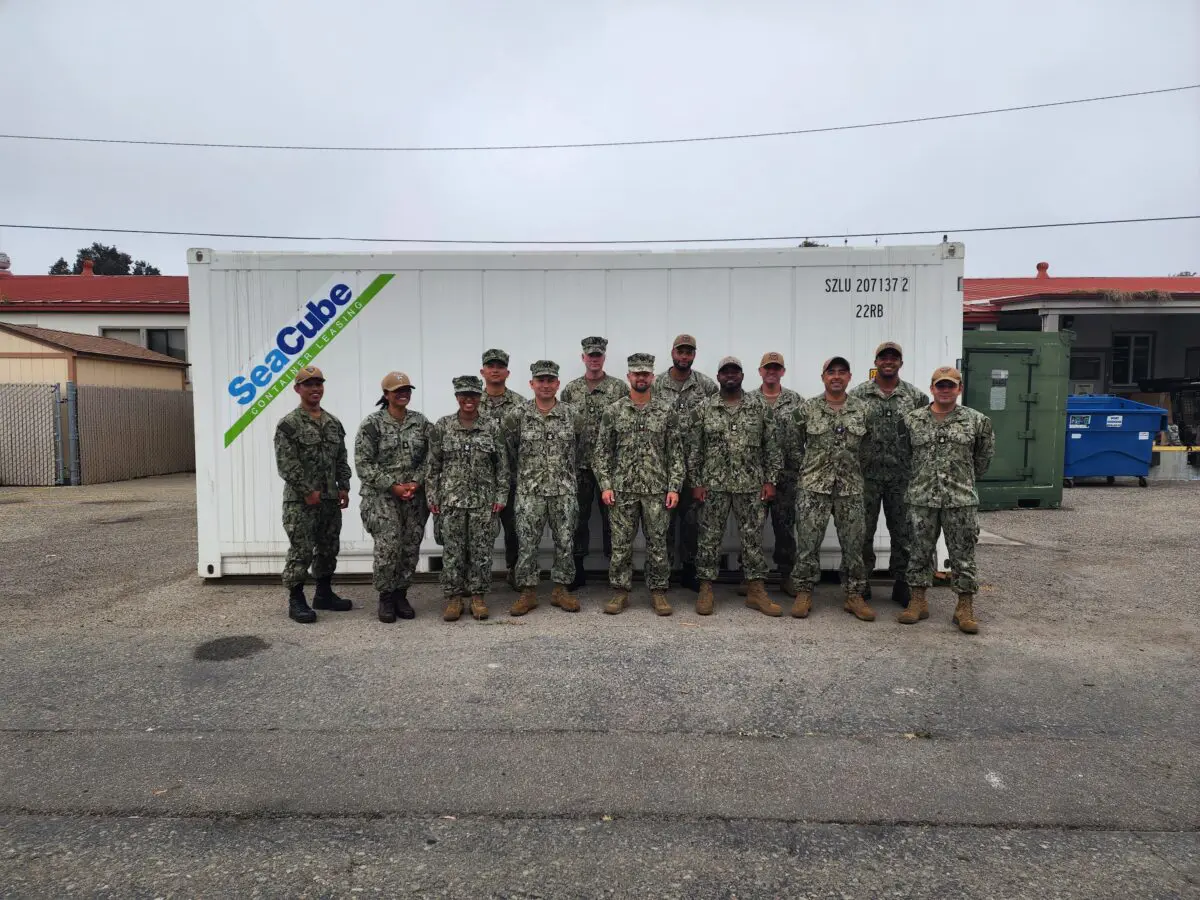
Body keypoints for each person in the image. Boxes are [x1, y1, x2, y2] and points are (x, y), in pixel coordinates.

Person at [901, 367, 996, 633]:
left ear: (959, 389)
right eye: (940, 385)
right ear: (931, 388)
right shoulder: (912, 420)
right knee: (918, 553)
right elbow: (905, 456)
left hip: (960, 499)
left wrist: (962, 480)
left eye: (950, 386)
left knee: (963, 555)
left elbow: (983, 459)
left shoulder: (977, 421)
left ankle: (964, 607)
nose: (945, 390)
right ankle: (917, 602)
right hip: (922, 498)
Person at [689, 356, 781, 616]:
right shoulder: (705, 408)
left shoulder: (759, 407)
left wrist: (770, 480)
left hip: (751, 485)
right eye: (725, 372)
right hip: (713, 486)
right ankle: (706, 588)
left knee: (753, 540)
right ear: (718, 377)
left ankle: (756, 590)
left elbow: (771, 447)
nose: (730, 376)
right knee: (708, 540)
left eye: (735, 372)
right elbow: (695, 449)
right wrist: (696, 482)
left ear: (742, 375)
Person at [593, 352, 685, 615]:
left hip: (657, 490)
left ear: (652, 377)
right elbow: (602, 452)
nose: (641, 378)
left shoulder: (666, 411)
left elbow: (676, 453)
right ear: (629, 377)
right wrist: (606, 485)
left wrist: (674, 487)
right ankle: (620, 591)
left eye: (646, 374)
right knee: (621, 544)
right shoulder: (614, 411)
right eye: (636, 374)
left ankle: (658, 591)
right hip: (622, 490)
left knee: (658, 543)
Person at [785, 356, 874, 622]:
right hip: (813, 488)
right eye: (831, 372)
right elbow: (792, 446)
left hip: (850, 488)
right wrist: (809, 471)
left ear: (849, 377)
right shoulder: (806, 409)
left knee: (853, 544)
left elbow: (868, 450)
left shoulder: (863, 410)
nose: (836, 376)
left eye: (842, 372)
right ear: (823, 377)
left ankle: (854, 595)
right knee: (808, 544)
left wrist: (852, 471)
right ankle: (803, 591)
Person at [849, 342, 930, 607]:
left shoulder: (915, 397)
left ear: (900, 363)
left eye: (894, 358)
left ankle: (902, 584)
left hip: (902, 476)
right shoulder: (858, 395)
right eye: (883, 357)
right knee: (862, 533)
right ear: (875, 362)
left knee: (904, 532)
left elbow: (922, 436)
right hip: (867, 476)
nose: (888, 361)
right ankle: (861, 585)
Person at [501, 360, 584, 616]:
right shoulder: (517, 416)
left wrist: (566, 476)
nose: (546, 385)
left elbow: (581, 450)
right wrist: (525, 477)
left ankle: (561, 589)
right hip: (530, 491)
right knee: (527, 543)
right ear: (532, 384)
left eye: (550, 381)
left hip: (563, 490)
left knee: (565, 542)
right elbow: (508, 453)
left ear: (557, 384)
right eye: (541, 381)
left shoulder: (572, 415)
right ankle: (528, 592)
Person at [427, 375, 509, 622]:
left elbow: (502, 466)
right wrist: (433, 496)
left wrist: (501, 495)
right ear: (456, 397)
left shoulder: (492, 427)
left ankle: (478, 597)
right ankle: (453, 598)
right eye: (463, 395)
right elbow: (433, 466)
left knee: (481, 551)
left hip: (483, 502)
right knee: (452, 551)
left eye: (473, 395)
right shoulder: (442, 427)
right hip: (451, 502)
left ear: (480, 396)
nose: (468, 400)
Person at [274, 365, 352, 624]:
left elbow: (341, 457)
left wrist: (344, 486)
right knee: (302, 549)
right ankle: (296, 599)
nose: (315, 388)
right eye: (309, 384)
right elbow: (287, 463)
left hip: (329, 498)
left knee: (328, 547)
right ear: (297, 389)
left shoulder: (333, 423)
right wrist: (307, 491)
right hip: (301, 501)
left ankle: (324, 593)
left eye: (319, 383)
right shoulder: (289, 424)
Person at [354, 372, 431, 623]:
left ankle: (401, 594)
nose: (403, 394)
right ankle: (386, 596)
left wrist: (416, 482)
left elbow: (432, 458)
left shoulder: (420, 423)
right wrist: (393, 485)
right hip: (382, 497)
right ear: (386, 394)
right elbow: (363, 464)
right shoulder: (372, 424)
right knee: (389, 546)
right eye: (397, 390)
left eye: (407, 389)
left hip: (413, 496)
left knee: (410, 546)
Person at [560, 336, 627, 590]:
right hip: (579, 466)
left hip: (611, 467)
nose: (594, 359)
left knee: (616, 520)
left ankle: (616, 569)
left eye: (598, 355)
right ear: (583, 358)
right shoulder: (570, 390)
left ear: (604, 358)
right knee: (578, 519)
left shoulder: (618, 388)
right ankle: (577, 568)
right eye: (590, 355)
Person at [654, 333, 718, 590]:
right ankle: (664, 571)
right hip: (662, 465)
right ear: (672, 353)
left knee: (693, 521)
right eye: (680, 352)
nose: (684, 356)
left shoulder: (706, 386)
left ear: (694, 355)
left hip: (695, 465)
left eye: (689, 352)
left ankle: (690, 569)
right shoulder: (657, 384)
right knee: (663, 522)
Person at [751, 351, 805, 596]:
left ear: (783, 372)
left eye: (777, 368)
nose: (771, 372)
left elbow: (808, 437)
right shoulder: (749, 401)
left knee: (785, 528)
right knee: (752, 529)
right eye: (767, 368)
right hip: (753, 476)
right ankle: (753, 577)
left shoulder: (797, 402)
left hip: (788, 476)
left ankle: (787, 575)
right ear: (760, 371)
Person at [477, 348, 526, 590]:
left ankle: (515, 569)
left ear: (507, 371)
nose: (495, 369)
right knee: (478, 530)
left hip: (514, 478)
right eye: (490, 365)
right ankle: (474, 575)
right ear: (482, 371)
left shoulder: (519, 404)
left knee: (515, 528)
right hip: (480, 479)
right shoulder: (472, 402)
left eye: (499, 366)